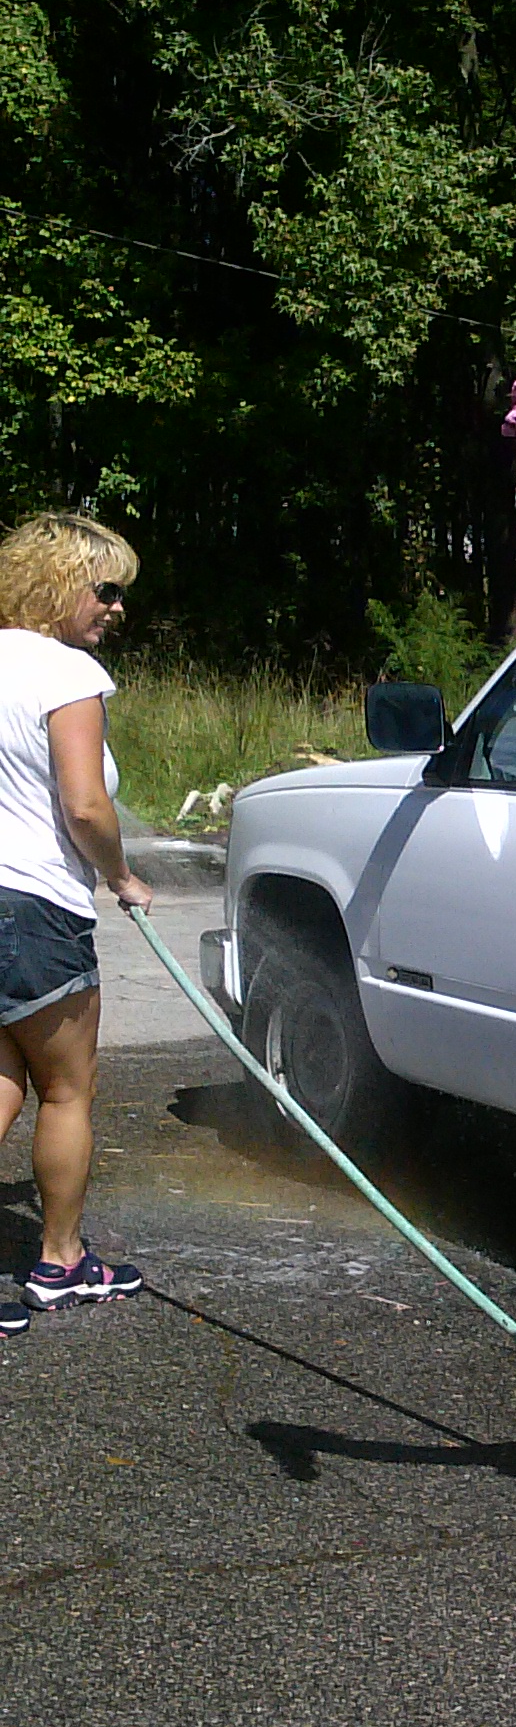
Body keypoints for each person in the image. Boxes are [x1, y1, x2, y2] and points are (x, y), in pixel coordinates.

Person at [0, 514, 151, 1340]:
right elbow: (85, 804)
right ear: (60, 585)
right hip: (31, 908)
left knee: (4, 1078)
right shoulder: (66, 672)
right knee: (65, 1089)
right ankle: (61, 1262)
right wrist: (121, 876)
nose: (116, 608)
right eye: (107, 589)